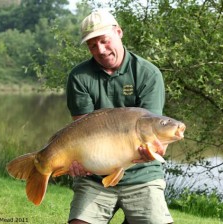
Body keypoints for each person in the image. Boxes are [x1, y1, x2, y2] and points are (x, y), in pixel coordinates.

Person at [66, 9, 173, 224]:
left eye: (104, 41)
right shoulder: (79, 77)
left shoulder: (147, 73)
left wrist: (155, 151)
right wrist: (76, 162)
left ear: (119, 32)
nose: (101, 50)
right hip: (95, 178)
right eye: (92, 45)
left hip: (142, 176)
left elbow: (156, 136)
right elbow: (80, 131)